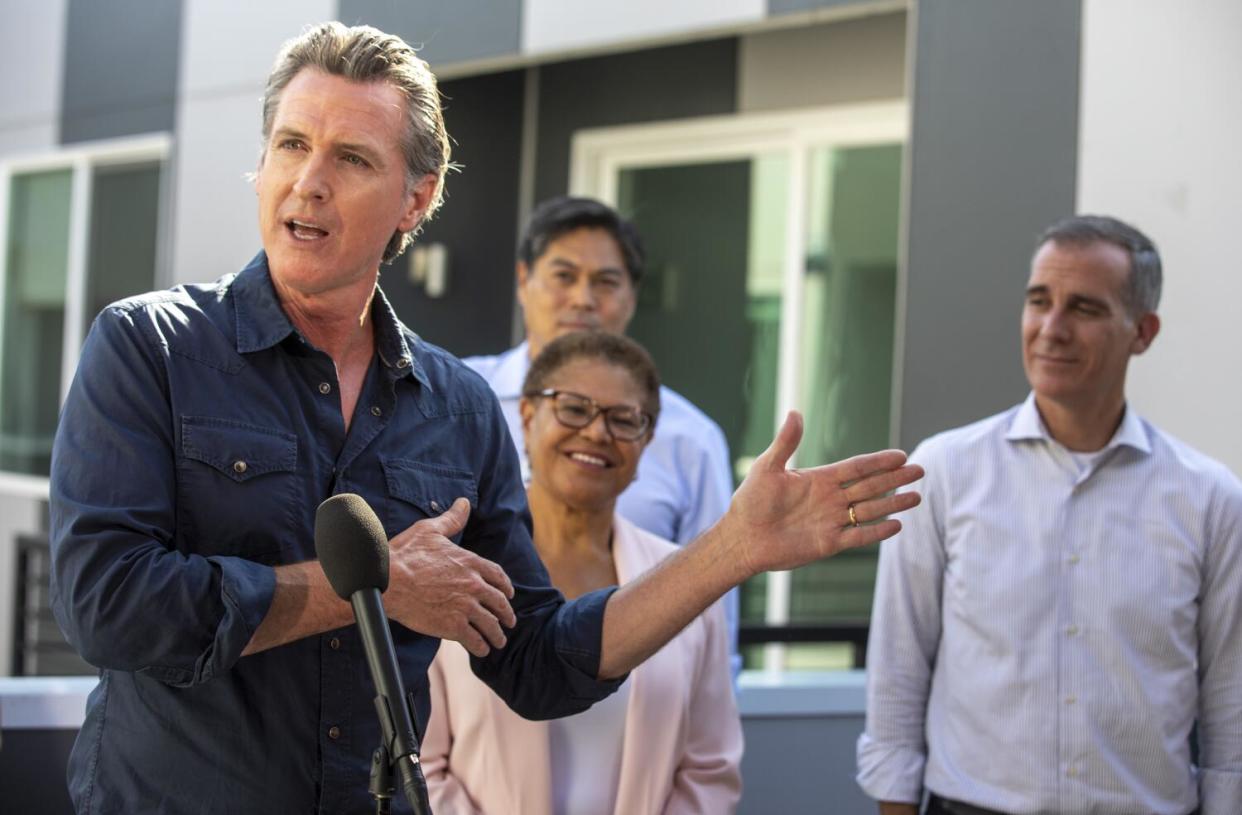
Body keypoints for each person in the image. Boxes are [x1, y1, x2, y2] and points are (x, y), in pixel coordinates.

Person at [48, 21, 921, 814]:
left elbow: (536, 657)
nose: (308, 182)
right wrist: (371, 585)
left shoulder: (458, 406)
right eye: (291, 144)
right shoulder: (148, 347)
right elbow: (106, 605)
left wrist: (733, 549)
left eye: (351, 158)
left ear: (416, 201)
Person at [857, 215, 1242, 815]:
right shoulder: (944, 472)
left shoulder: (1211, 499)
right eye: (1039, 301)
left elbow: (1229, 700)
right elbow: (897, 670)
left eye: (1085, 309)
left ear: (1143, 331)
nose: (1051, 330)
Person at [424, 331, 742, 814]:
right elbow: (422, 764)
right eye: (573, 408)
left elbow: (709, 769)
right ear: (527, 418)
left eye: (623, 419)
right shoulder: (454, 565)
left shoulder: (688, 577)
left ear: (647, 440)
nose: (597, 432)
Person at [465, 196, 741, 674]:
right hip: (473, 694)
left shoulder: (690, 439)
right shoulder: (459, 403)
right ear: (523, 281)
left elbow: (713, 610)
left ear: (632, 297)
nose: (583, 299)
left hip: (644, 697)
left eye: (606, 282)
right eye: (564, 276)